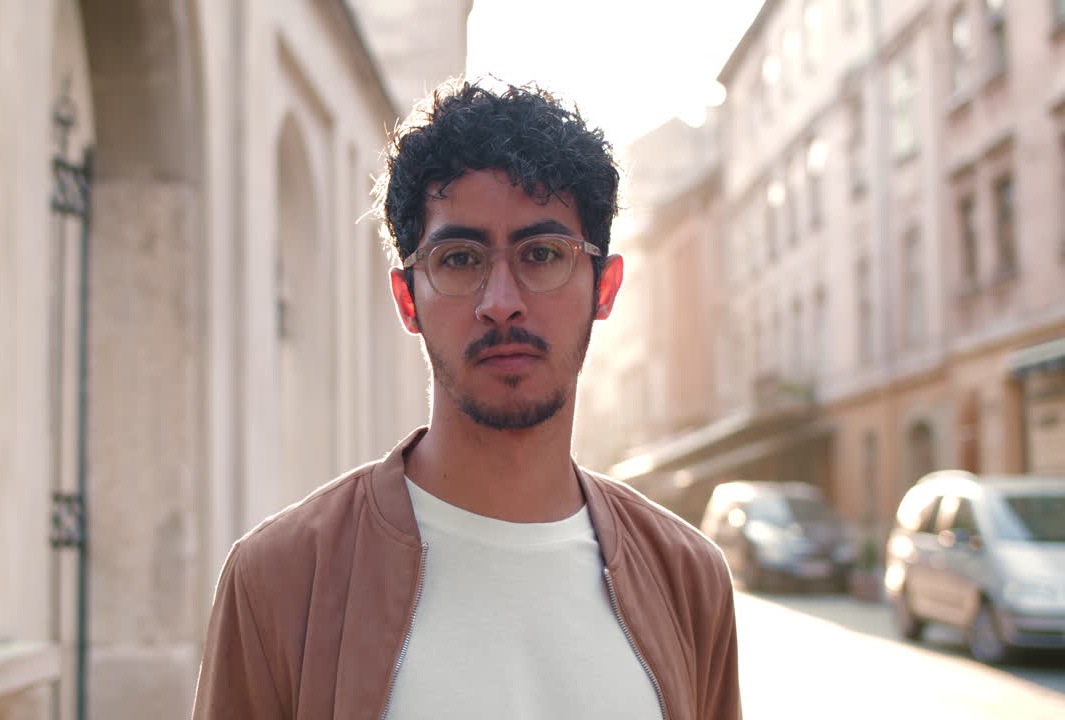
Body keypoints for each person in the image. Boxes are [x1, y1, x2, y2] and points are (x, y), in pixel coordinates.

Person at [191, 79, 741, 720]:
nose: (500, 299)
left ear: (606, 287)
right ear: (407, 299)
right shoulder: (281, 580)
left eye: (542, 254)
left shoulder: (688, 578)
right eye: (459, 259)